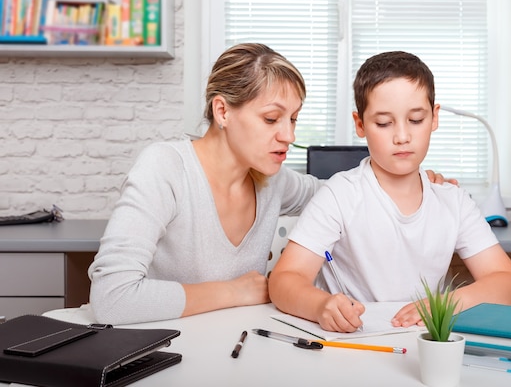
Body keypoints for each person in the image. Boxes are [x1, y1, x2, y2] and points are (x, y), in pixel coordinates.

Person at [88, 43, 451, 325]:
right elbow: (112, 297)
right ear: (223, 111)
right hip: (164, 347)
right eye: (272, 118)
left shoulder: (271, 180)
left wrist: (412, 180)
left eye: (293, 119)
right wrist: (233, 292)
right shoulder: (165, 168)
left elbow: (343, 192)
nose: (289, 135)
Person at [268, 51, 511, 333]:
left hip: (424, 344)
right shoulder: (340, 195)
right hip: (356, 344)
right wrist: (320, 306)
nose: (402, 136)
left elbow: (508, 282)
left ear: (434, 118)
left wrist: (445, 304)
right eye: (384, 123)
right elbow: (284, 280)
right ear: (360, 125)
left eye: (415, 120)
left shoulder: (453, 201)